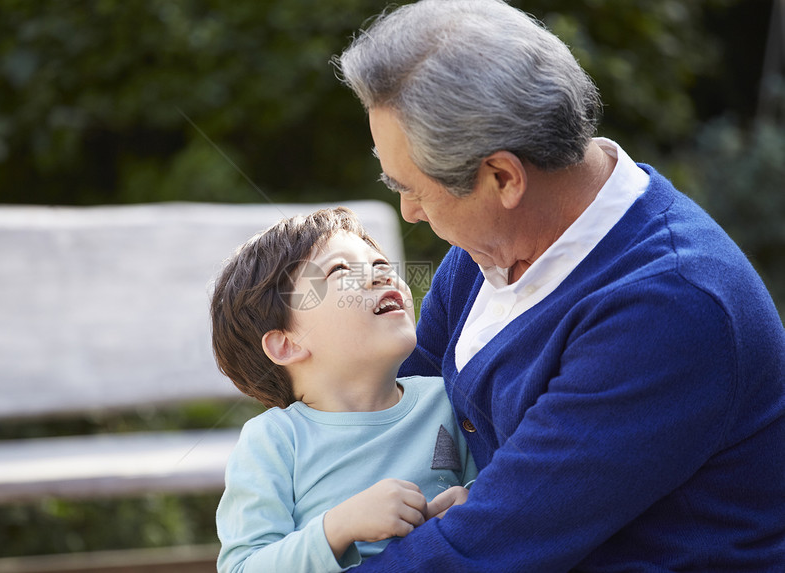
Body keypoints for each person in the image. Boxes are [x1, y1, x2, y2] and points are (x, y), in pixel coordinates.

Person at [334, 0, 785, 571]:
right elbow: (387, 420)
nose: (409, 213)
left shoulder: (668, 307)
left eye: (414, 189)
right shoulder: (490, 252)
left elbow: (487, 546)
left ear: (503, 177)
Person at [210, 207, 478, 573]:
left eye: (380, 262)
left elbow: (493, 486)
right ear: (288, 344)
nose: (382, 272)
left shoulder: (446, 400)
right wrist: (338, 527)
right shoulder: (274, 441)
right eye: (339, 270)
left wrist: (468, 503)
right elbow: (243, 566)